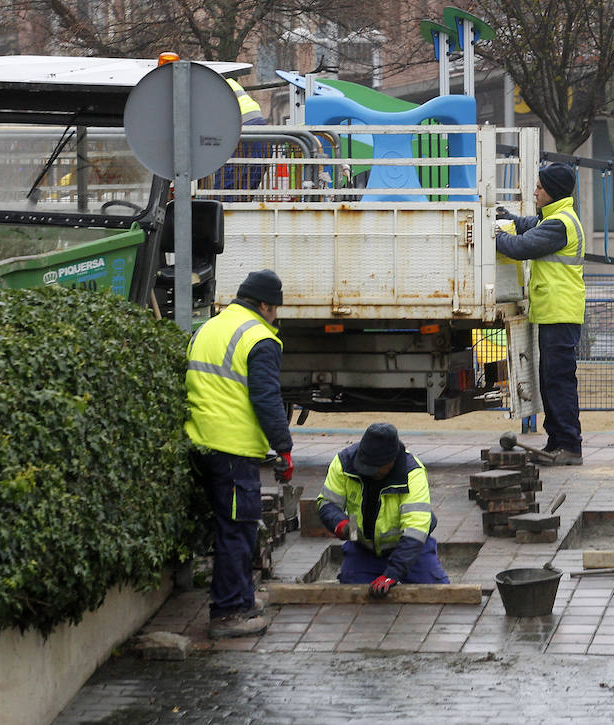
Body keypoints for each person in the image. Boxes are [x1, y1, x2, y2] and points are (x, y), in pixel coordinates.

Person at [185, 269, 294, 638]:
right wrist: (284, 448)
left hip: (201, 441)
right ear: (264, 305)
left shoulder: (210, 327)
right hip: (232, 448)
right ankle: (229, 613)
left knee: (231, 528)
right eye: (275, 308)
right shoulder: (260, 338)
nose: (276, 315)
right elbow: (266, 398)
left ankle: (243, 599)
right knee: (238, 530)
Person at [495, 163, 585, 465]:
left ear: (553, 192)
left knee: (558, 382)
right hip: (555, 313)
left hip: (560, 312)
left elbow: (520, 247)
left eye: (540, 187)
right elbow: (527, 225)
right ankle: (557, 442)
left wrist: (492, 234)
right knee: (552, 381)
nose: (535, 191)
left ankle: (569, 445)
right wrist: (507, 219)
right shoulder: (555, 218)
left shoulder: (559, 224)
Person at [316, 423, 450, 595]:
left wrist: (392, 573)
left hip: (409, 550)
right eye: (365, 466)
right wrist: (340, 524)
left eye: (375, 469)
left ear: (392, 460)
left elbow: (416, 531)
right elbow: (327, 503)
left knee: (439, 593)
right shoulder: (344, 463)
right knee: (351, 593)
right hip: (364, 548)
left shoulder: (412, 473)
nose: (369, 472)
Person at [212, 78, 269, 196]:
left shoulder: (204, 86)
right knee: (247, 184)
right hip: (261, 132)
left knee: (225, 189)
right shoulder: (225, 82)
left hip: (242, 133)